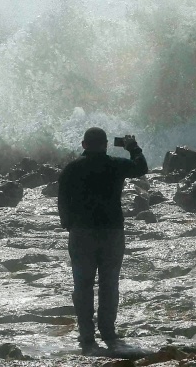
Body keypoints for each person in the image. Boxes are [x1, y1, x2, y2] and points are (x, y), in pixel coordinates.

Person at [58, 127, 148, 354]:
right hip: (111, 231)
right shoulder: (115, 165)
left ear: (83, 144)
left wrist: (68, 223)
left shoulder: (72, 168)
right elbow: (141, 167)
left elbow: (63, 200)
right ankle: (108, 331)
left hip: (82, 232)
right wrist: (133, 147)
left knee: (83, 284)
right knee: (109, 284)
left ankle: (87, 335)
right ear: (106, 144)